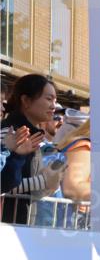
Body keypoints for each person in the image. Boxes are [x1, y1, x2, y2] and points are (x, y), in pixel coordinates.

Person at [1, 74, 64, 224]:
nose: (53, 106)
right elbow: (4, 185)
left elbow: (31, 189)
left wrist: (50, 184)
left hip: (22, 225)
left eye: (55, 100)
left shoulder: (33, 136)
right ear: (26, 101)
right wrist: (42, 181)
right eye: (49, 99)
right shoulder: (9, 133)